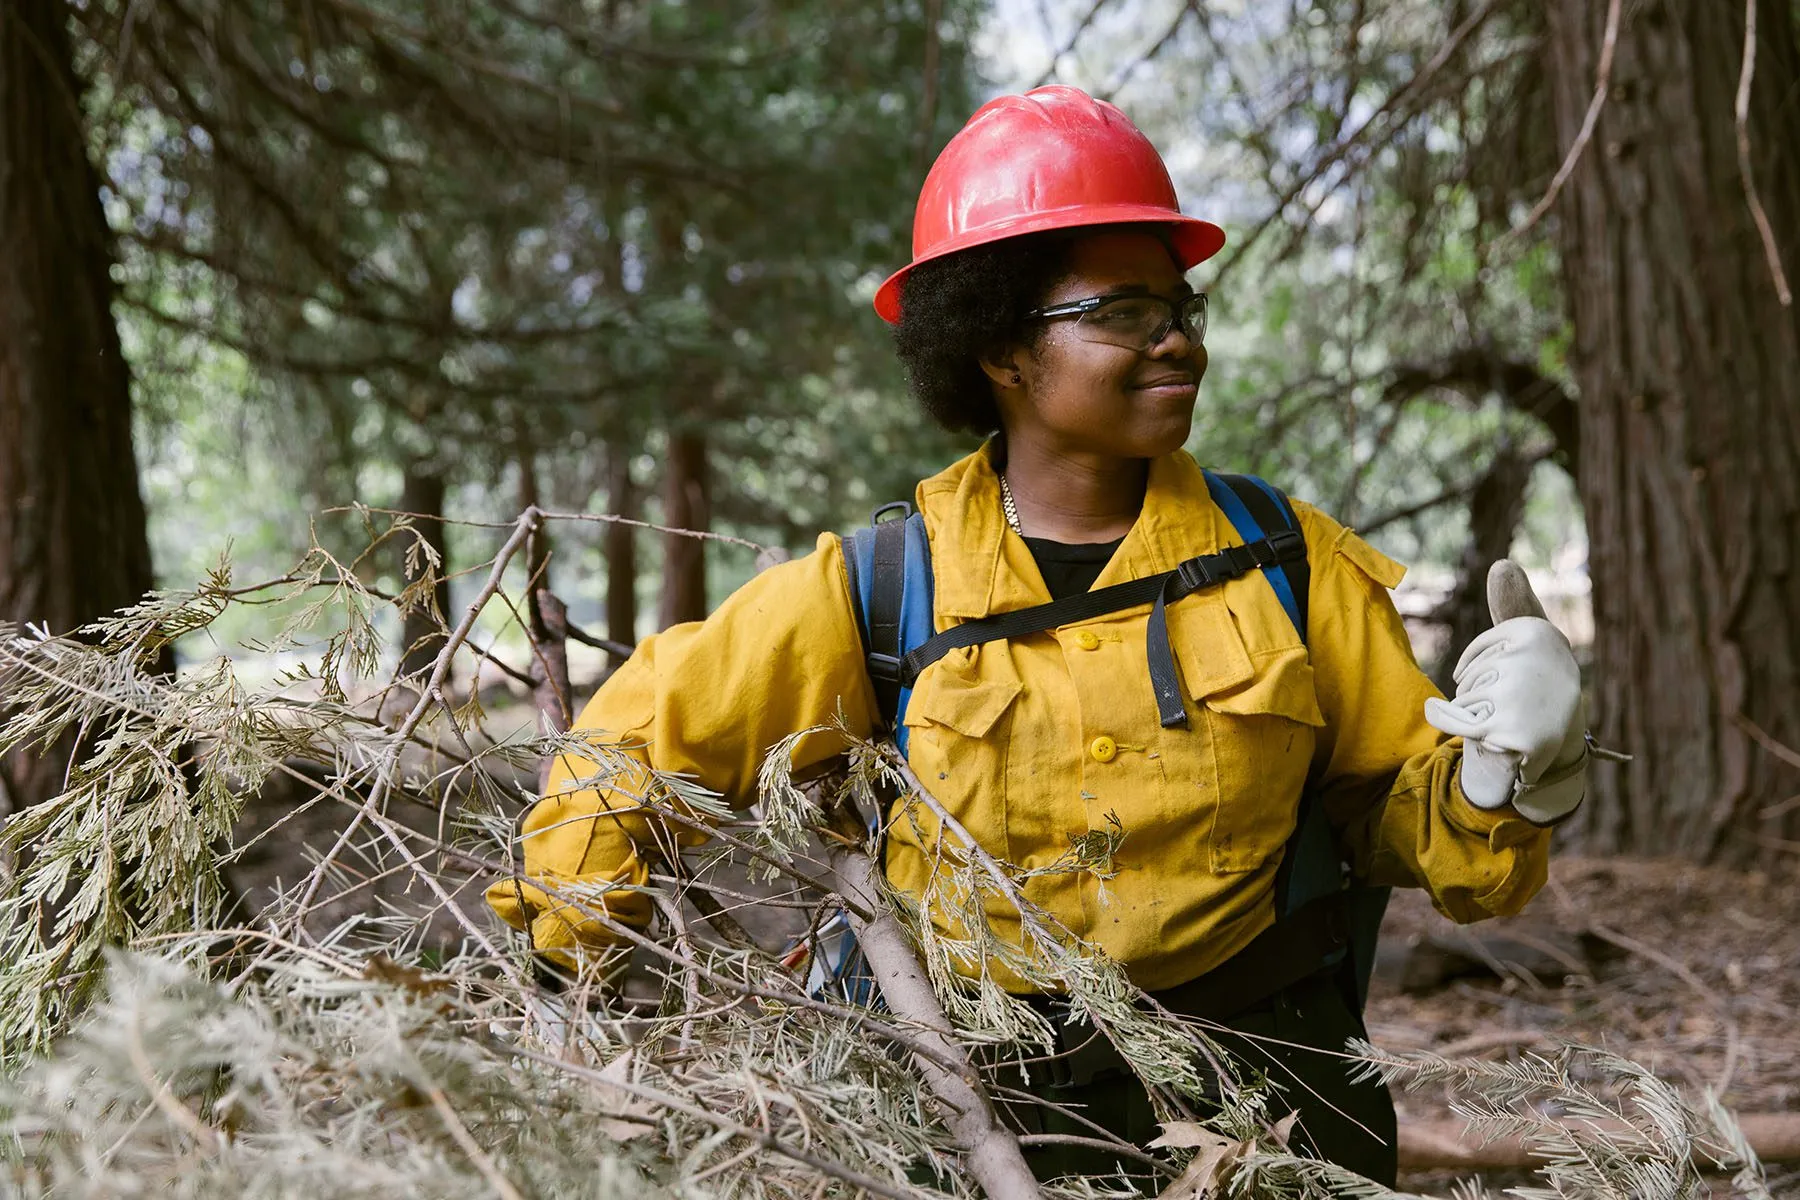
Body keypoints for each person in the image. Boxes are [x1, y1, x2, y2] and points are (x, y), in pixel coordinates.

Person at [486, 86, 1589, 1187]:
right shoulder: (877, 590)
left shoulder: (1289, 563)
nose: (1176, 341)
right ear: (1002, 350)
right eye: (1122, 313)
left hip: (1277, 1099)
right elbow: (621, 759)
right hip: (987, 1116)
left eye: (1181, 307)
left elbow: (1434, 847)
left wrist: (1508, 775)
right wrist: (567, 1000)